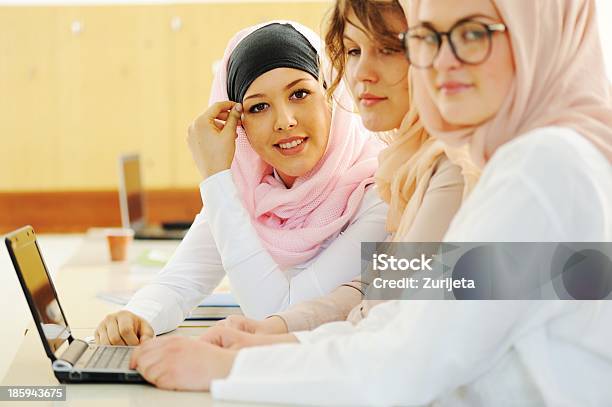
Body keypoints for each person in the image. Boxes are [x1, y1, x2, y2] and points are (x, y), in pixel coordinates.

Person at [129, 0, 612, 405]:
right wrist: (269, 342)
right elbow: (391, 316)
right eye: (428, 39)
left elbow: (410, 361)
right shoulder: (512, 162)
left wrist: (231, 368)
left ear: (539, 34)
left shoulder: (541, 167)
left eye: (472, 34)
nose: (442, 63)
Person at [95, 21, 390, 346]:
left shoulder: (379, 192)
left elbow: (277, 317)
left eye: (300, 93)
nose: (285, 121)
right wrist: (135, 317)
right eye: (259, 106)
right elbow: (179, 283)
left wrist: (216, 178)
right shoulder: (252, 193)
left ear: (331, 95)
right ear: (240, 124)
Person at [216, 0, 477, 336]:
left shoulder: (453, 168)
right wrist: (269, 330)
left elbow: (385, 325)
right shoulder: (407, 166)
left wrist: (258, 349)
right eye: (353, 51)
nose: (361, 73)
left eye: (388, 48)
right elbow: (367, 289)